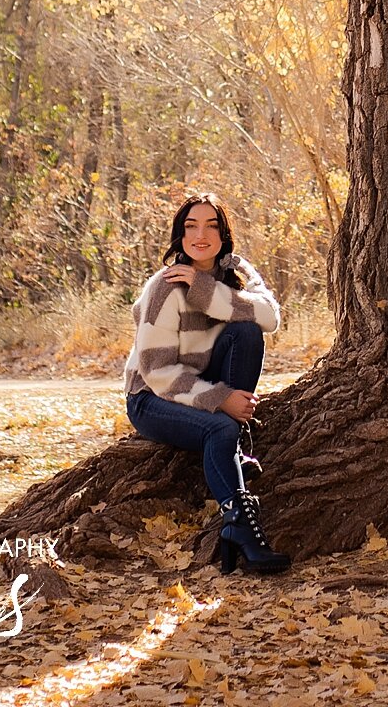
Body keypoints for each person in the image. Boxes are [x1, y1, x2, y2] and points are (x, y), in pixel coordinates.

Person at [122, 191, 290, 574]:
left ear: (224, 234)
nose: (201, 235)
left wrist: (205, 288)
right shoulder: (164, 287)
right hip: (152, 397)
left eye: (211, 226)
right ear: (179, 237)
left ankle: (235, 442)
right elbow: (157, 370)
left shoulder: (231, 274)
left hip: (195, 382)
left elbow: (269, 316)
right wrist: (222, 398)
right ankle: (240, 528)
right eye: (190, 226)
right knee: (218, 425)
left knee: (247, 332)